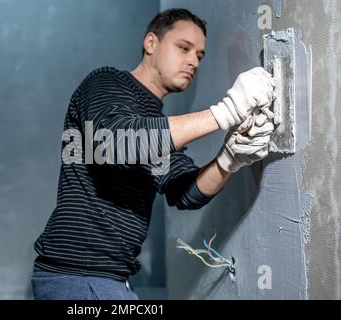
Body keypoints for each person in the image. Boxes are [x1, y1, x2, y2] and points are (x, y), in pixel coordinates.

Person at [31, 8, 275, 300]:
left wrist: (230, 158)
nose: (192, 61)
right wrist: (226, 113)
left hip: (106, 278)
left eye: (199, 55)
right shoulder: (105, 84)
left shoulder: (155, 127)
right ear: (151, 43)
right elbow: (116, 144)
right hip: (78, 274)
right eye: (183, 48)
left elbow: (185, 192)